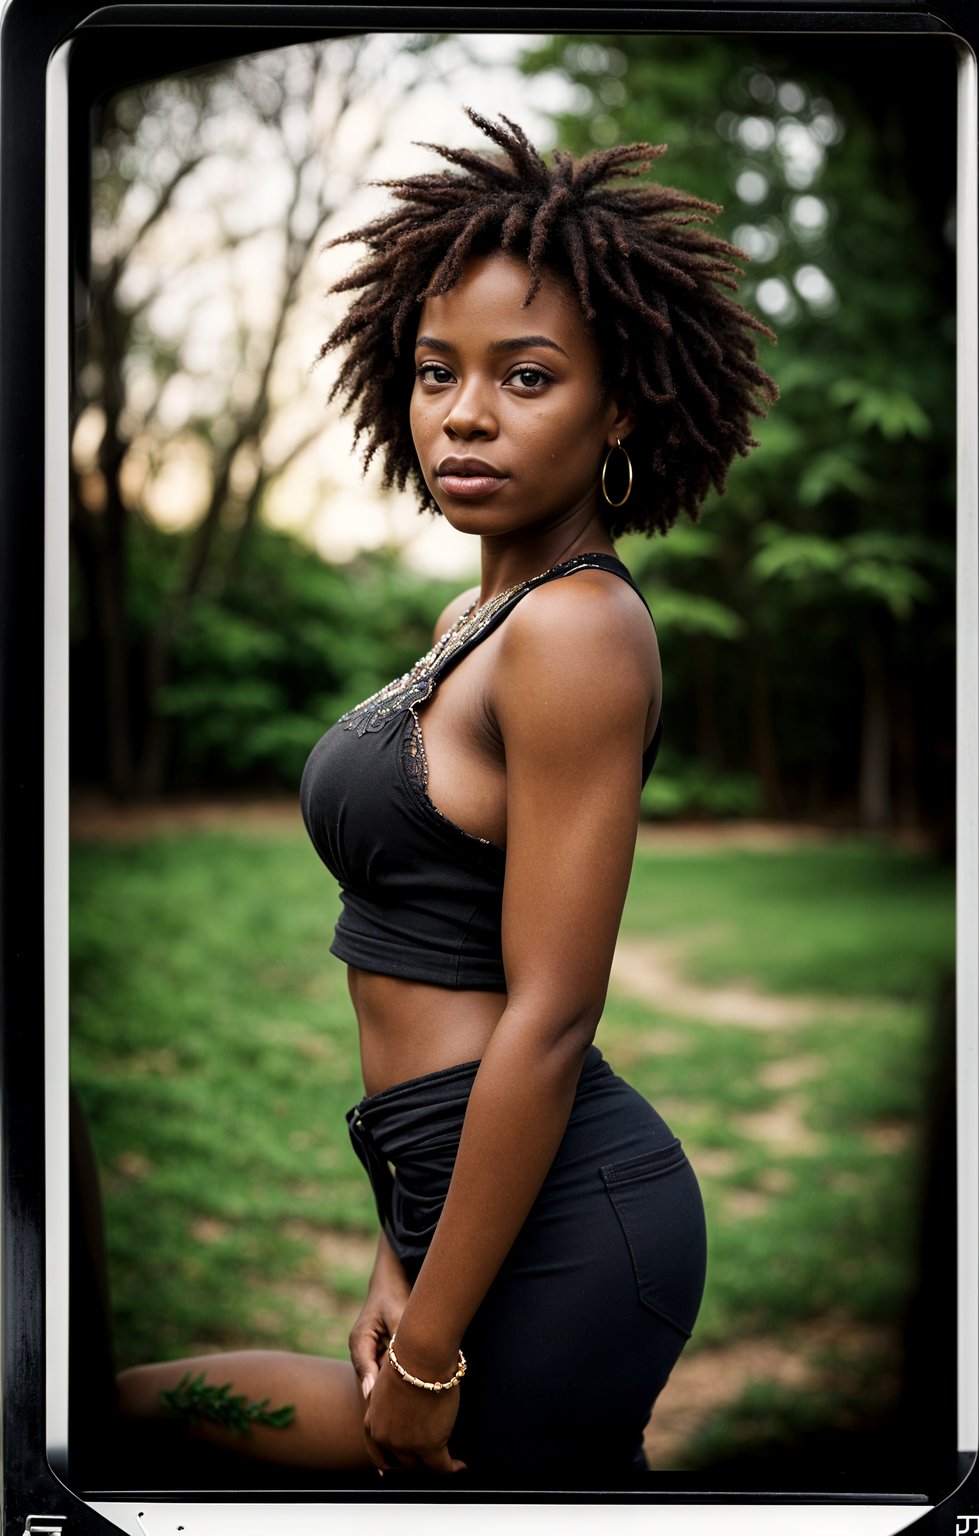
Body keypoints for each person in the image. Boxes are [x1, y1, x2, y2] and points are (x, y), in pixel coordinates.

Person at [117, 108, 776, 1485]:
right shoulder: (474, 616)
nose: (463, 412)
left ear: (624, 403)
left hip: (572, 1227)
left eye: (526, 376)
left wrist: (426, 1351)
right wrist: (399, 1246)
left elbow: (547, 1012)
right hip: (458, 1196)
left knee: (103, 1417)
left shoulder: (578, 633)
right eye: (435, 372)